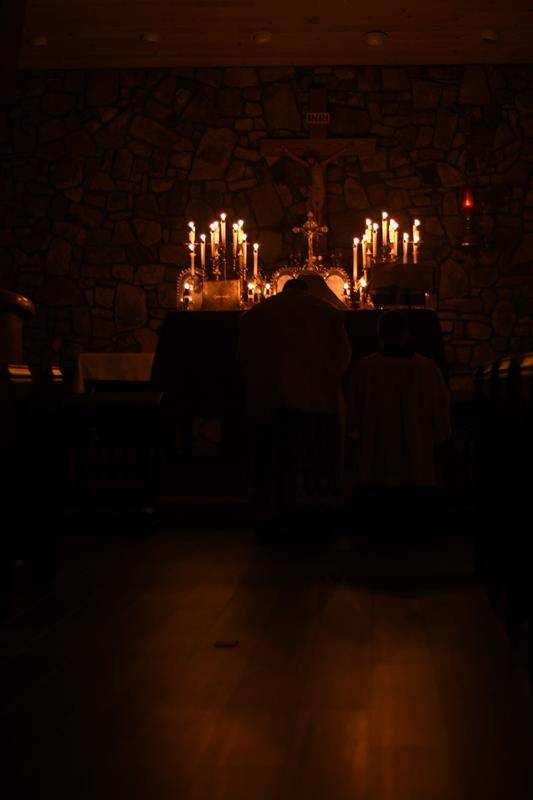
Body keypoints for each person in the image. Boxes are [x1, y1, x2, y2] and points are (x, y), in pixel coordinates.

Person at [238, 278, 352, 528]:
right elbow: (342, 359)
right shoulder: (328, 313)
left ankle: (273, 511)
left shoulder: (257, 314)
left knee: (274, 459)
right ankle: (313, 510)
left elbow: (244, 356)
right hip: (315, 399)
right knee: (311, 459)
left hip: (272, 398)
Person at [347, 310, 451, 515]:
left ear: (379, 334)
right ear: (406, 335)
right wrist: (442, 440)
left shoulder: (364, 368)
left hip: (376, 461)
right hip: (417, 459)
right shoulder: (427, 369)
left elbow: (353, 414)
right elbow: (441, 411)